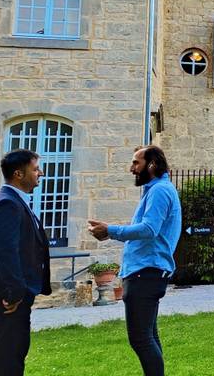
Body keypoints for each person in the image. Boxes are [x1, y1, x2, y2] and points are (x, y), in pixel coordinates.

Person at [87, 145, 181, 376]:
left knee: (140, 339)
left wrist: (110, 230)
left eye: (135, 163)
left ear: (152, 165)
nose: (131, 169)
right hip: (145, 271)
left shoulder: (160, 191)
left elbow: (149, 229)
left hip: (146, 272)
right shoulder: (156, 190)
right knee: (148, 336)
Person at [0, 149, 50, 376]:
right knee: (9, 357)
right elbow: (5, 251)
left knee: (15, 352)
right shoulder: (7, 203)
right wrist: (14, 293)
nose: (41, 173)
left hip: (16, 296)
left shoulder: (16, 201)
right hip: (10, 301)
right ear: (18, 174)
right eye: (36, 169)